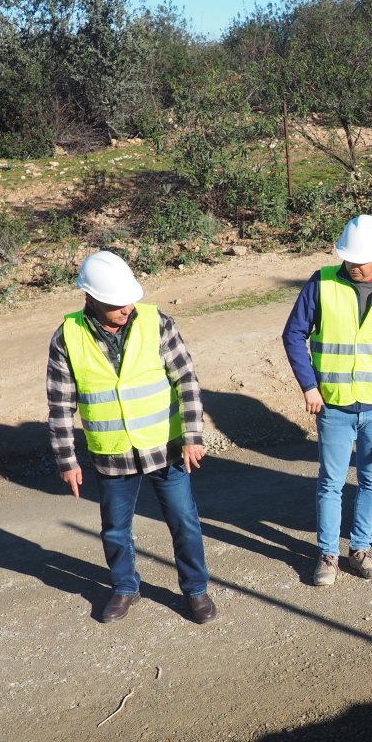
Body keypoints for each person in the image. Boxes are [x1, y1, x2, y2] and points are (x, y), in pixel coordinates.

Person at [46, 250, 217, 624]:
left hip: (166, 446)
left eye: (128, 300)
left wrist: (192, 434)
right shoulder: (67, 337)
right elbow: (60, 405)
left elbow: (186, 380)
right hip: (112, 454)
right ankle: (125, 588)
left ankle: (196, 590)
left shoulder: (157, 323)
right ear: (91, 298)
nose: (126, 309)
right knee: (115, 530)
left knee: (184, 522)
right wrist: (67, 460)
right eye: (116, 304)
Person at [282, 214, 372, 586]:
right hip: (333, 404)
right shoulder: (322, 282)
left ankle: (360, 549)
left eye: (360, 260)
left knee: (371, 481)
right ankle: (327, 554)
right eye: (348, 258)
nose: (353, 265)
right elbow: (293, 334)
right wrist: (309, 386)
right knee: (331, 482)